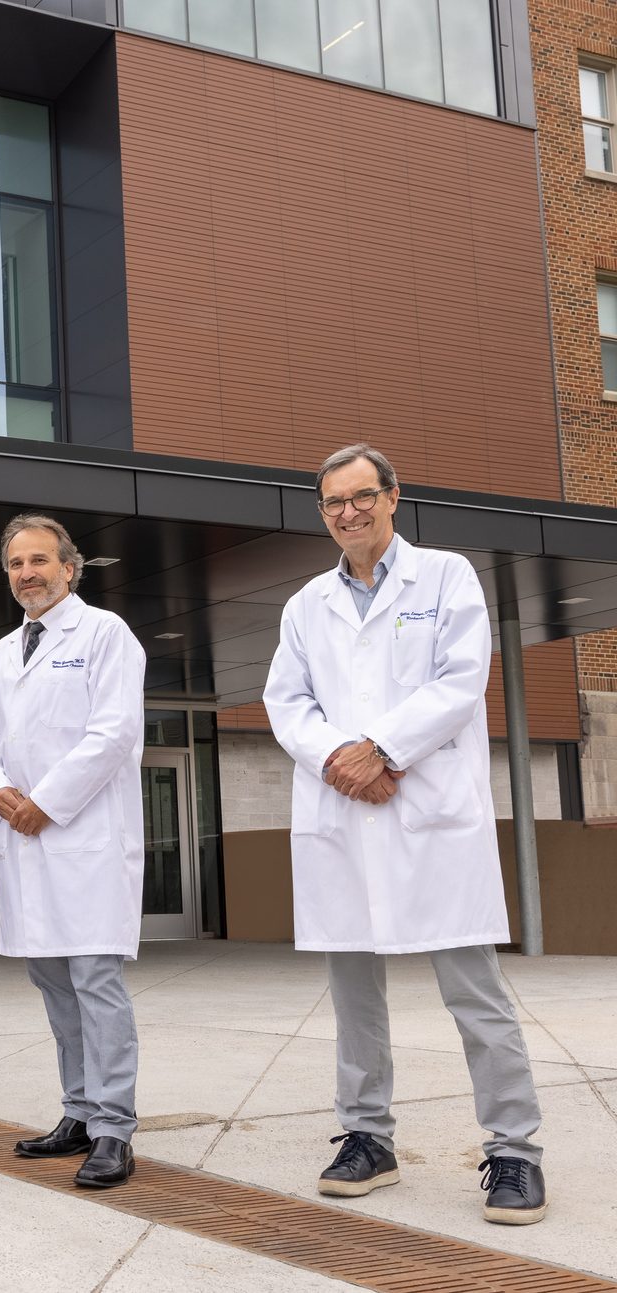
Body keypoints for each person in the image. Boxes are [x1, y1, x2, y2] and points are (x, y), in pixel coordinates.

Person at [264, 444, 546, 1225]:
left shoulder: (448, 577)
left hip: (428, 811)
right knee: (354, 995)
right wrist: (340, 758)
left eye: (361, 497)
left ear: (393, 497)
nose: (347, 513)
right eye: (332, 504)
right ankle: (367, 1137)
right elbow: (287, 703)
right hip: (342, 813)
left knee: (475, 991)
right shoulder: (305, 604)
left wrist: (381, 749)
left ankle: (515, 1149)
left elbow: (460, 680)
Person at [0, 516, 146, 1188]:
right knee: (53, 981)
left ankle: (113, 1128)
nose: (27, 573)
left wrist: (48, 799)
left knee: (96, 983)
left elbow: (114, 731)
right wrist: (1, 789)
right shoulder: (6, 651)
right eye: (15, 563)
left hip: (83, 836)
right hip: (26, 838)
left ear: (71, 567)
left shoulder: (104, 635)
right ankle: (77, 1110)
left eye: (39, 560)